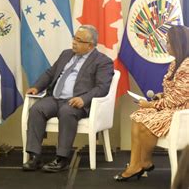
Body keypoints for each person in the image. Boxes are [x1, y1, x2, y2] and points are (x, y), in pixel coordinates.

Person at [23, 24, 114, 173]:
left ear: (90, 45)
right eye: (74, 38)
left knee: (66, 112)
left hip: (76, 102)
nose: (74, 42)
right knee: (36, 109)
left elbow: (102, 87)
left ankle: (62, 158)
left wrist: (83, 99)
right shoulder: (66, 54)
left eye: (78, 40)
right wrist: (37, 87)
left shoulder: (102, 61)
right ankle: (34, 156)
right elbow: (50, 73)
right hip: (55, 98)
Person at [114, 25, 189, 181]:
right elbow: (173, 92)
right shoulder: (176, 63)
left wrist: (150, 105)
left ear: (178, 44)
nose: (165, 45)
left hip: (182, 114)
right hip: (172, 108)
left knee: (145, 120)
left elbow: (177, 99)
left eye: (168, 42)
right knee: (137, 116)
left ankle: (145, 162)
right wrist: (159, 96)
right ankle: (136, 164)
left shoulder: (187, 66)